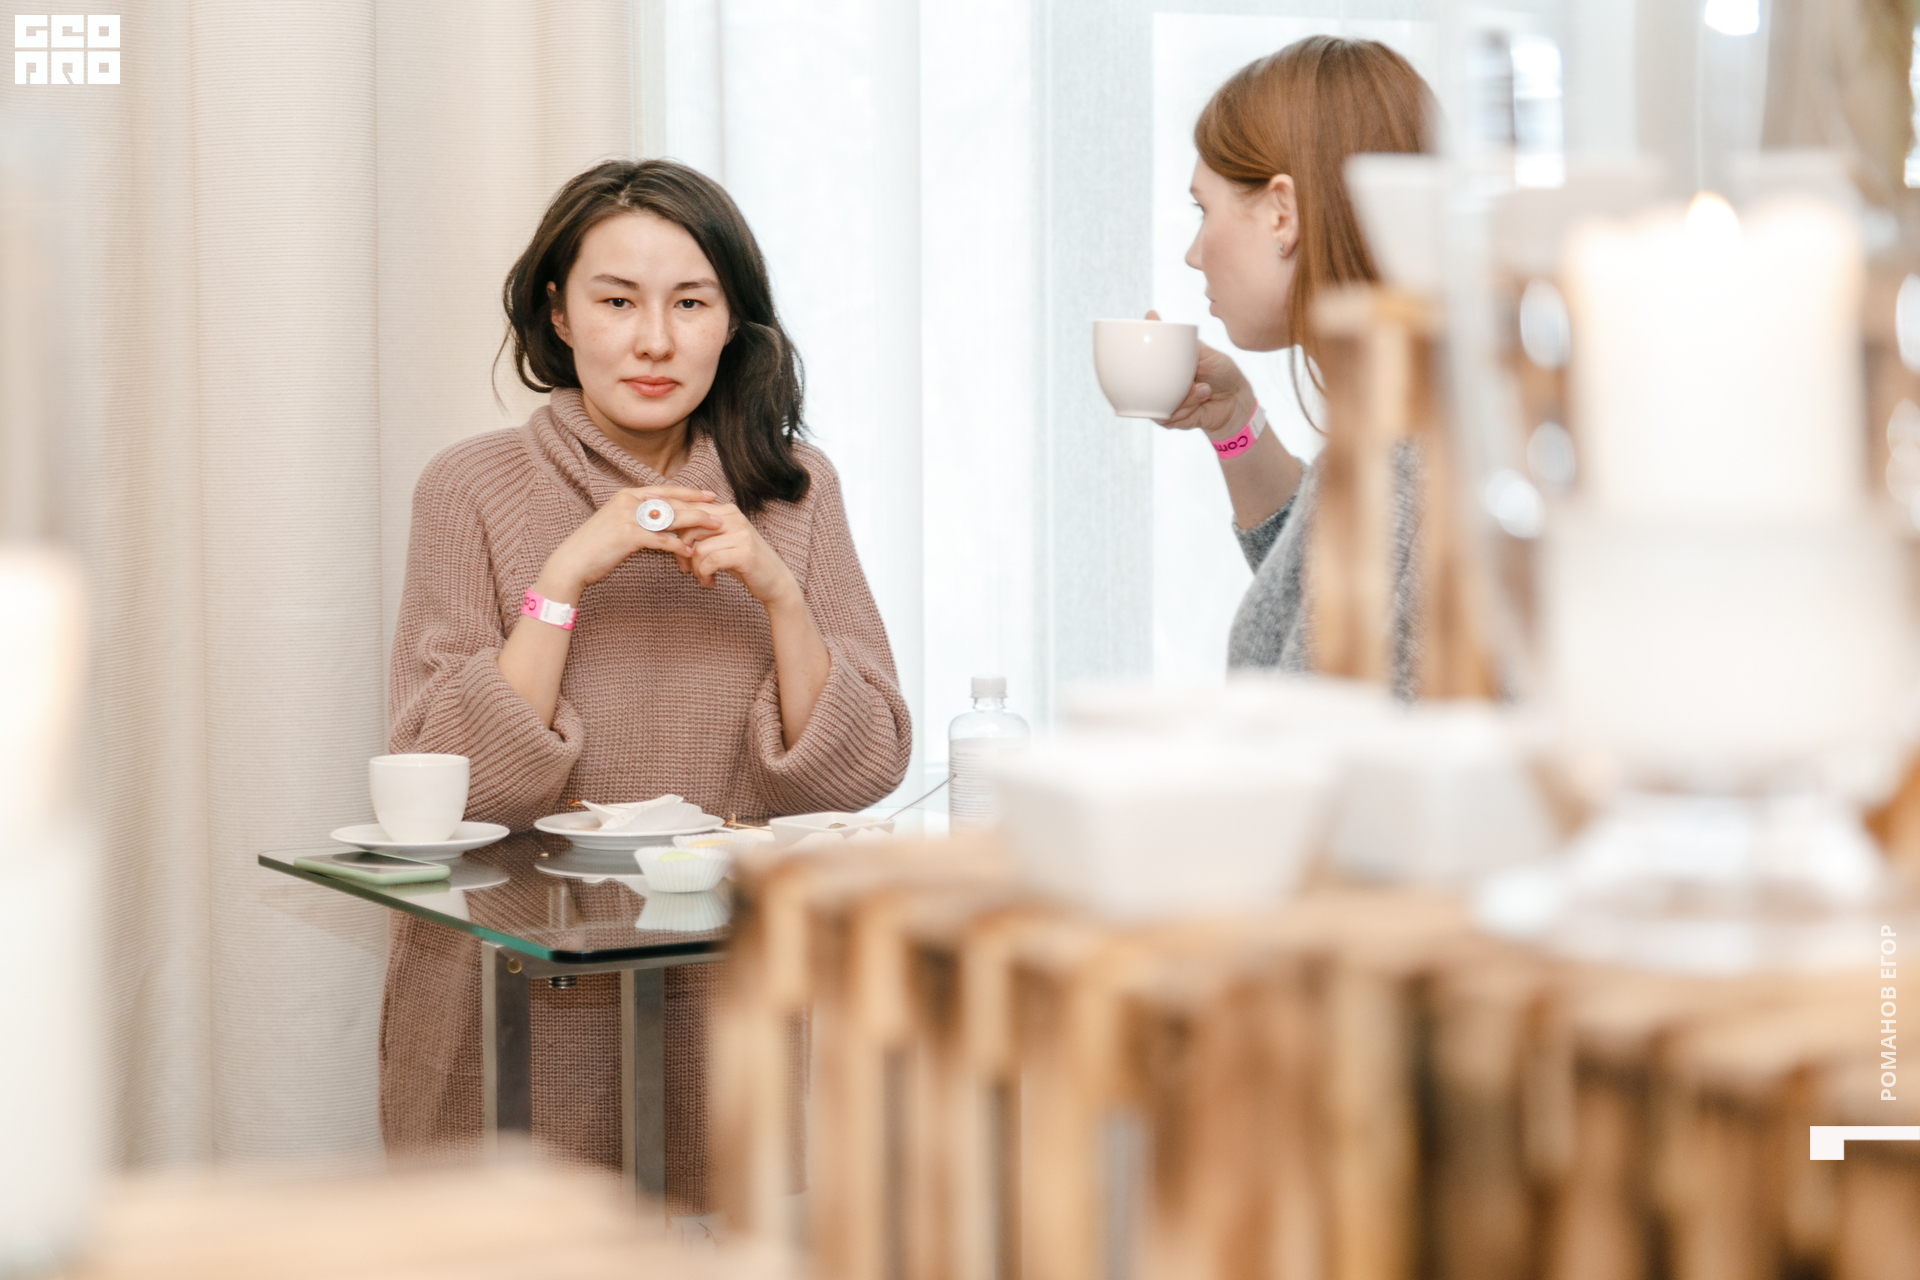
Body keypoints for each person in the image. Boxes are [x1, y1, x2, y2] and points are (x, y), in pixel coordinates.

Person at [379, 159, 912, 1208]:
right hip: (518, 999)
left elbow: (860, 771)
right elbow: (450, 785)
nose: (655, 341)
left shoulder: (795, 490)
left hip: (732, 994)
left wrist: (777, 590)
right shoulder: (468, 485)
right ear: (558, 314)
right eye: (617, 301)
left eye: (690, 303)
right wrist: (564, 577)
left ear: (733, 322)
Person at [1153, 36, 1435, 688]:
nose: (1194, 254)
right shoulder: (1391, 433)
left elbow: (1316, 703)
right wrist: (1234, 422)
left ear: (1283, 214)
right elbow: (1304, 603)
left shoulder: (1409, 462)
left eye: (1204, 210)